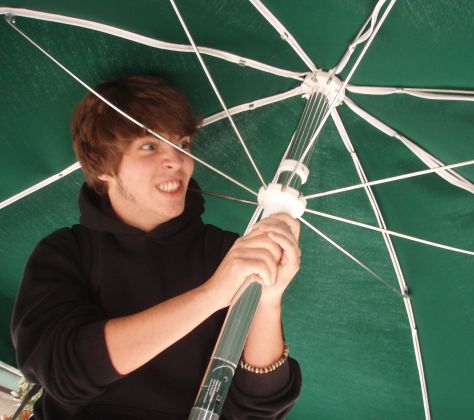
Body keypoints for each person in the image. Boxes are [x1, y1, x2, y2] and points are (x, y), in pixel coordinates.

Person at [11, 75, 302, 419]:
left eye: (183, 144)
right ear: (103, 165)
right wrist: (211, 295)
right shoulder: (67, 251)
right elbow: (65, 371)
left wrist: (268, 299)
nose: (176, 161)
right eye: (149, 146)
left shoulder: (228, 252)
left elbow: (258, 407)